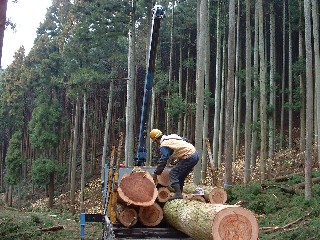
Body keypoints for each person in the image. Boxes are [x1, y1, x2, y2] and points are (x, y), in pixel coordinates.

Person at [149, 129, 199, 200]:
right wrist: (177, 159)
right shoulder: (172, 137)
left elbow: (164, 159)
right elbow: (185, 140)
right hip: (195, 153)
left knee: (173, 173)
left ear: (156, 140)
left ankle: (178, 194)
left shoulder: (164, 144)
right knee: (180, 175)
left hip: (189, 156)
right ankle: (179, 193)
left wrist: (157, 172)